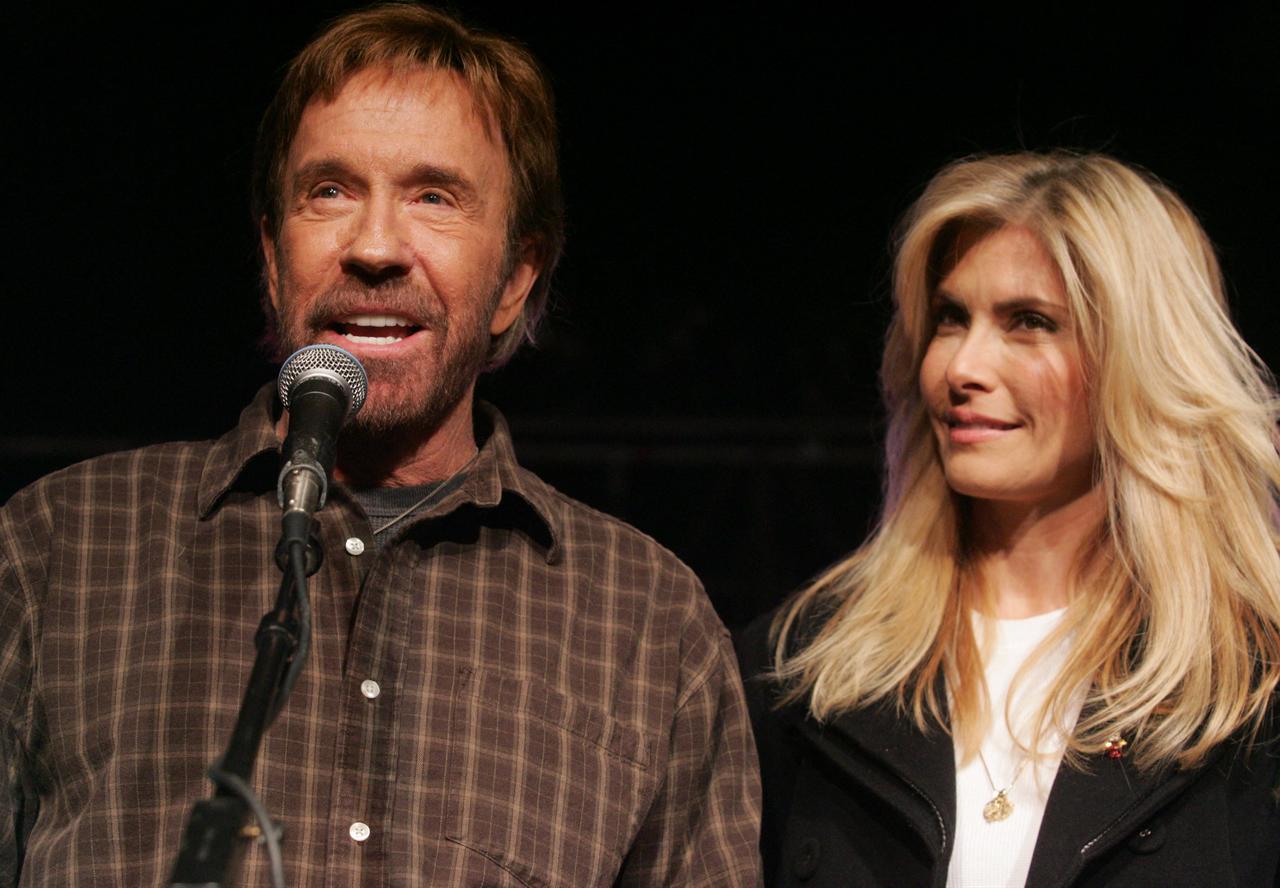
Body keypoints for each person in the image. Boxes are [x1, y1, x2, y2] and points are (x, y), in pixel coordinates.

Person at [0, 5, 761, 886]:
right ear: (273, 256)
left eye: (434, 197)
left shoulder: (649, 625)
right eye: (330, 191)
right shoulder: (58, 548)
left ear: (516, 277)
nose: (373, 247)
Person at [738, 152, 1280, 886]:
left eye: (1029, 322)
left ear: (1144, 358)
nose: (963, 367)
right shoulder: (801, 668)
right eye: (951, 318)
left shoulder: (1253, 682)